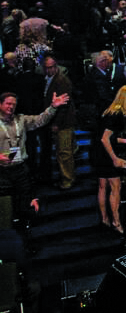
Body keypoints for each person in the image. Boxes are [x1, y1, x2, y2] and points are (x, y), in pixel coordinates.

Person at [0, 90, 70, 228]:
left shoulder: (20, 120)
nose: (11, 107)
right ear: (0, 104)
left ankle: (25, 240)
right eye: (8, 104)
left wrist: (53, 107)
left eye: (13, 104)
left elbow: (40, 120)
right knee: (5, 211)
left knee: (26, 206)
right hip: (2, 173)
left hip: (20, 169)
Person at [93, 86, 126, 233]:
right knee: (115, 187)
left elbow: (109, 137)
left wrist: (124, 141)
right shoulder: (117, 115)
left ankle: (105, 219)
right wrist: (114, 158)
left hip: (97, 152)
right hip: (106, 154)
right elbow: (105, 139)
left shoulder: (109, 111)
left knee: (102, 186)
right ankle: (116, 221)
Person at [38, 54, 77, 190]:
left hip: (64, 122)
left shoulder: (61, 80)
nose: (50, 70)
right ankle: (67, 178)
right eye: (47, 67)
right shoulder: (49, 79)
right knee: (63, 151)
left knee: (64, 153)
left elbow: (64, 105)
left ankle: (67, 180)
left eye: (52, 67)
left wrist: (56, 124)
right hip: (58, 121)